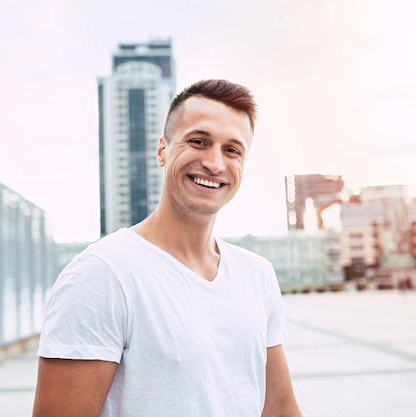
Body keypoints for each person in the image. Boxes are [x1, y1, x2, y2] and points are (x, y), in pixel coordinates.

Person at [32, 79, 303, 417]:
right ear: (162, 150)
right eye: (199, 141)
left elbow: (278, 409)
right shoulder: (103, 273)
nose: (215, 164)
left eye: (232, 150)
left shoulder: (257, 274)